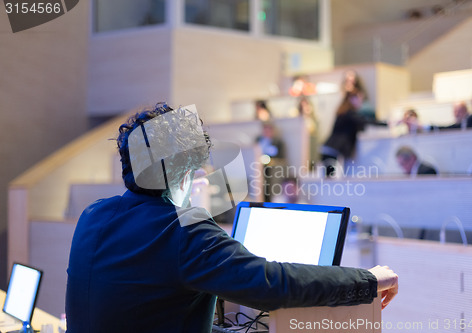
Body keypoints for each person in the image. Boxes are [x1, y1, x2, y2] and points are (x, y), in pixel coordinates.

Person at [66, 103, 398, 333]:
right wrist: (367, 280)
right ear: (183, 171)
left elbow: (143, 307)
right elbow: (272, 284)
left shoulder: (93, 215)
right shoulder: (183, 231)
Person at [321, 90, 366, 176]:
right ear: (352, 99)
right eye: (359, 99)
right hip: (334, 150)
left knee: (330, 179)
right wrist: (386, 124)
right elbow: (365, 122)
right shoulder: (349, 114)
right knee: (332, 180)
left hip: (330, 149)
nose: (361, 102)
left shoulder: (343, 112)